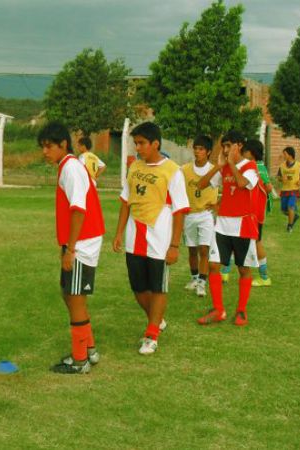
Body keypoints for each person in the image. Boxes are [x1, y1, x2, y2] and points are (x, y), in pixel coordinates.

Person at [113, 122, 189, 355]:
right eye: (135, 143)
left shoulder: (173, 171)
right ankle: (156, 319)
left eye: (142, 143)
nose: (138, 148)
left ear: (155, 143)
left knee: (157, 286)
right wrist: (119, 233)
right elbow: (126, 202)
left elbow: (180, 211)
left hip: (160, 238)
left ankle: (152, 334)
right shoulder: (134, 167)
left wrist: (174, 245)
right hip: (134, 236)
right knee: (138, 287)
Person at [38, 121, 105, 374]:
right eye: (42, 146)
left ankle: (80, 361)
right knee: (69, 294)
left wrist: (71, 249)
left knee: (75, 299)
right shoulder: (68, 166)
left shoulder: (71, 168)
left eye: (49, 146)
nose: (44, 151)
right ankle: (89, 350)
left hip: (83, 243)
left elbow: (78, 210)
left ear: (63, 144)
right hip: (78, 242)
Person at [196, 130, 259, 326]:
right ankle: (218, 310)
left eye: (228, 146)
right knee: (214, 266)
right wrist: (218, 166)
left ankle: (241, 311)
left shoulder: (250, 166)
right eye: (223, 146)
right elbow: (200, 185)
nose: (224, 150)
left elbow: (241, 183)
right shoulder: (223, 168)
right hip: (222, 224)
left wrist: (231, 164)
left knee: (243, 269)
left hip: (243, 225)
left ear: (239, 145)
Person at [181, 135, 217, 297]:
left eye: (201, 149)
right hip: (189, 215)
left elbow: (229, 186)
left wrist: (217, 204)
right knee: (192, 250)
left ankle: (202, 282)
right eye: (195, 148)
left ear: (208, 152)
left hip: (206, 214)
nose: (197, 151)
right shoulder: (184, 170)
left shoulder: (214, 170)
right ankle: (194, 278)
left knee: (204, 249)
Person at [243, 139, 273, 286]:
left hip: (254, 214)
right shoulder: (258, 166)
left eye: (245, 151)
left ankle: (264, 277)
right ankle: (225, 272)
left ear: (251, 153)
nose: (243, 153)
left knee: (255, 242)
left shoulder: (256, 167)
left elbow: (268, 187)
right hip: (254, 213)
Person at [277, 146, 300, 232]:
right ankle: (294, 216)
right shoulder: (282, 166)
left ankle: (290, 226)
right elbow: (278, 177)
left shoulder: (299, 165)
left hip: (294, 190)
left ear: (290, 155)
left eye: (285, 154)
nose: (283, 156)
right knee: (284, 210)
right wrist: (281, 179)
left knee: (290, 206)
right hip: (284, 190)